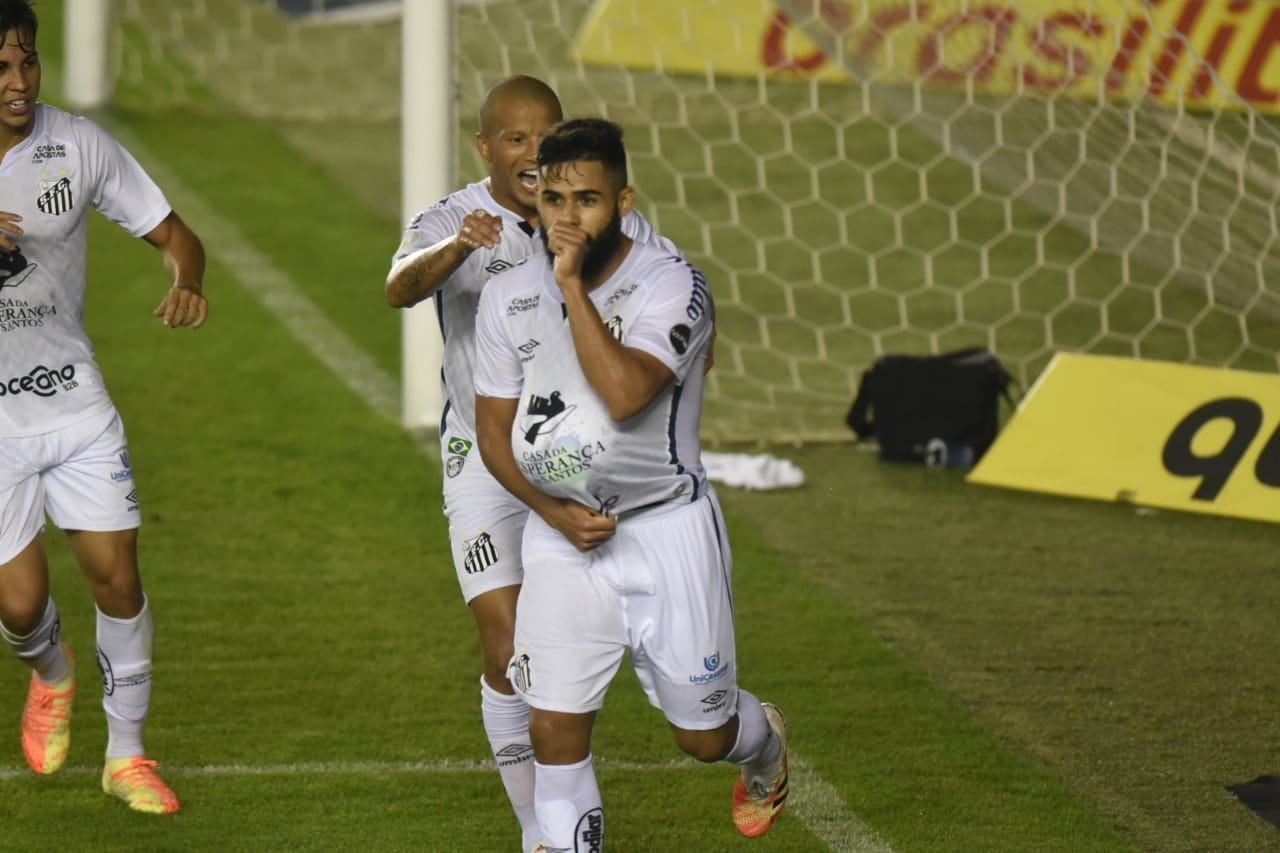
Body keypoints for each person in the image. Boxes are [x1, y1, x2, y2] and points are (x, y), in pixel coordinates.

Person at [473, 117, 789, 850]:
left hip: (666, 530)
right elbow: (493, 433)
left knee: (703, 736)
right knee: (551, 723)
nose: (566, 217)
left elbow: (624, 393)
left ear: (624, 201)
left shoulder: (673, 285)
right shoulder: (507, 296)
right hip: (563, 536)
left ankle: (765, 743)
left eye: (585, 199)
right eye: (552, 199)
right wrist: (551, 511)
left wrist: (571, 287)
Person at [385, 76, 677, 852]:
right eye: (515, 139)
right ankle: (541, 833)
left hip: (575, 460)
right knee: (507, 646)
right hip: (480, 456)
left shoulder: (591, 218)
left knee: (645, 666)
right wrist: (458, 248)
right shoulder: (453, 217)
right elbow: (396, 286)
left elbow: (663, 278)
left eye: (544, 139)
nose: (532, 154)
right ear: (484, 147)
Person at [0, 0, 206, 815]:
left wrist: (187, 278)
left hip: (74, 400)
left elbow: (175, 233)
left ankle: (127, 753)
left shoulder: (76, 144)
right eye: (2, 69)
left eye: (28, 64)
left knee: (117, 576)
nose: (20, 83)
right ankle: (51, 672)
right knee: (19, 603)